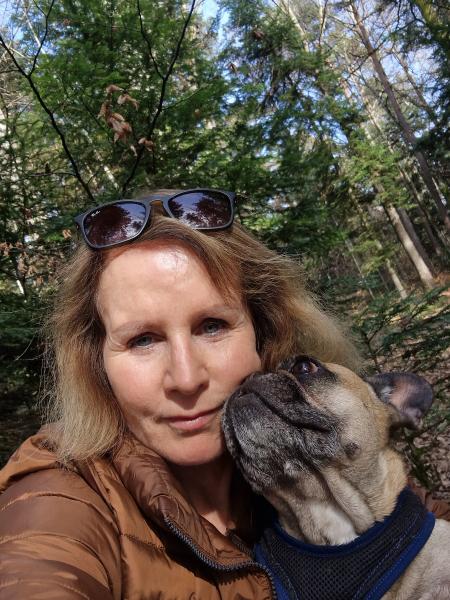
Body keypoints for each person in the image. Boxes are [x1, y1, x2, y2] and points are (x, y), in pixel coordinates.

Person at [0, 189, 447, 599]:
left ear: (263, 335)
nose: (186, 377)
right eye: (142, 340)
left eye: (212, 326)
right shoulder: (59, 496)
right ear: (97, 365)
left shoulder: (327, 453)